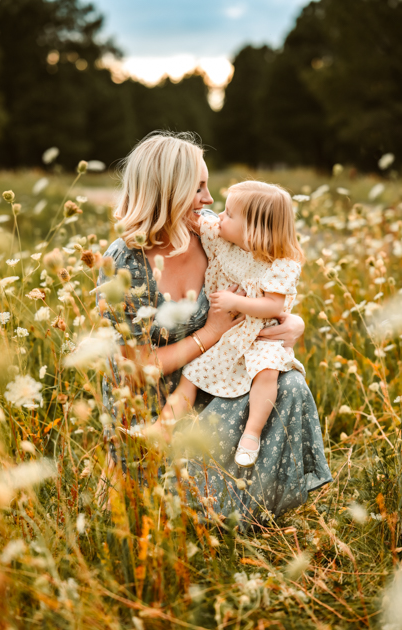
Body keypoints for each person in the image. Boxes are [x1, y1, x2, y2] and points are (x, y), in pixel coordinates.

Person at [98, 131, 332, 524]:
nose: (209, 200)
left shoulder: (211, 235)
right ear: (167, 191)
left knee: (288, 385)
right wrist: (211, 332)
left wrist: (292, 321)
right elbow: (133, 369)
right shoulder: (125, 263)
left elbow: (267, 277)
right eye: (199, 187)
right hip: (155, 409)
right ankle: (188, 507)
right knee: (158, 512)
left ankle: (245, 514)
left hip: (217, 384)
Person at [155, 181, 307, 469]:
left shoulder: (282, 263)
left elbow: (273, 306)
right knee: (192, 376)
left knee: (266, 373)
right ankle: (162, 427)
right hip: (230, 334)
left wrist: (235, 303)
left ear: (253, 229)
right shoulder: (223, 237)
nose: (218, 216)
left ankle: (252, 434)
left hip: (261, 337)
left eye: (228, 213)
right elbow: (194, 219)